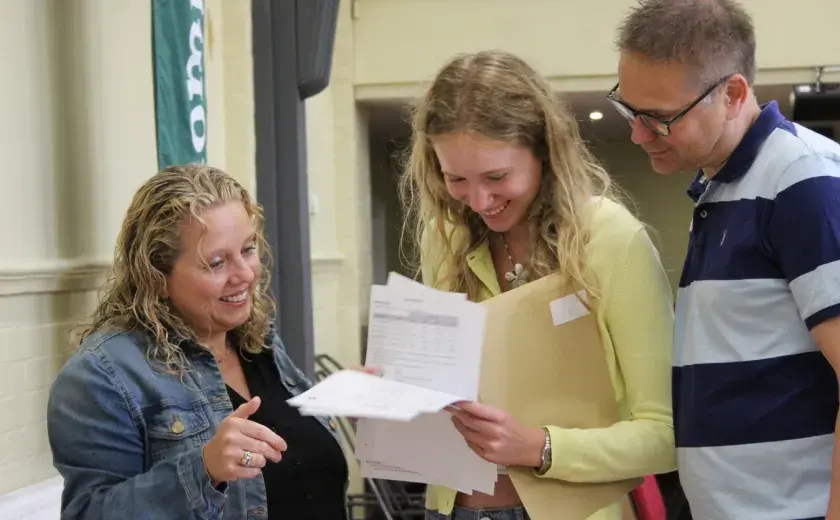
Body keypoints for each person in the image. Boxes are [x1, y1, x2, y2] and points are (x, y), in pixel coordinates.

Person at [398, 49, 677, 520]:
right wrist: (394, 397)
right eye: (455, 179)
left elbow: (667, 434)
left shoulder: (609, 238)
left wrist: (541, 447)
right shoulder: (443, 237)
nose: (479, 200)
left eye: (497, 176)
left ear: (544, 151)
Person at [611, 1, 840, 519]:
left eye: (659, 118)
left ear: (733, 94)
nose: (637, 134)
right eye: (629, 109)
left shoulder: (802, 180)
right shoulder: (720, 186)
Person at [47, 165, 350, 519]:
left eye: (248, 249)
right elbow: (89, 513)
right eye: (217, 262)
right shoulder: (101, 376)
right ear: (156, 277)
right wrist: (204, 469)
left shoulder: (256, 342)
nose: (245, 274)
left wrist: (341, 394)